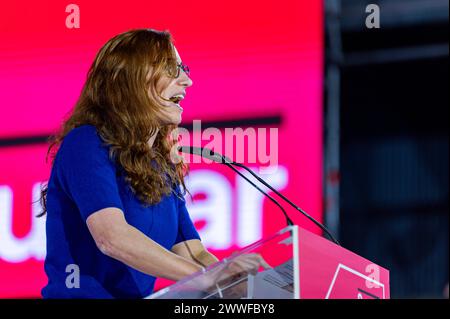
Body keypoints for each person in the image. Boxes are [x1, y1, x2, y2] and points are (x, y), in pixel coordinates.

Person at [39, 29, 267, 299]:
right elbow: (112, 238)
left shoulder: (161, 167)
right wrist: (210, 277)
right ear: (132, 79)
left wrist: (243, 284)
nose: (188, 80)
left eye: (184, 68)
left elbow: (194, 253)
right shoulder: (86, 143)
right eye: (172, 69)